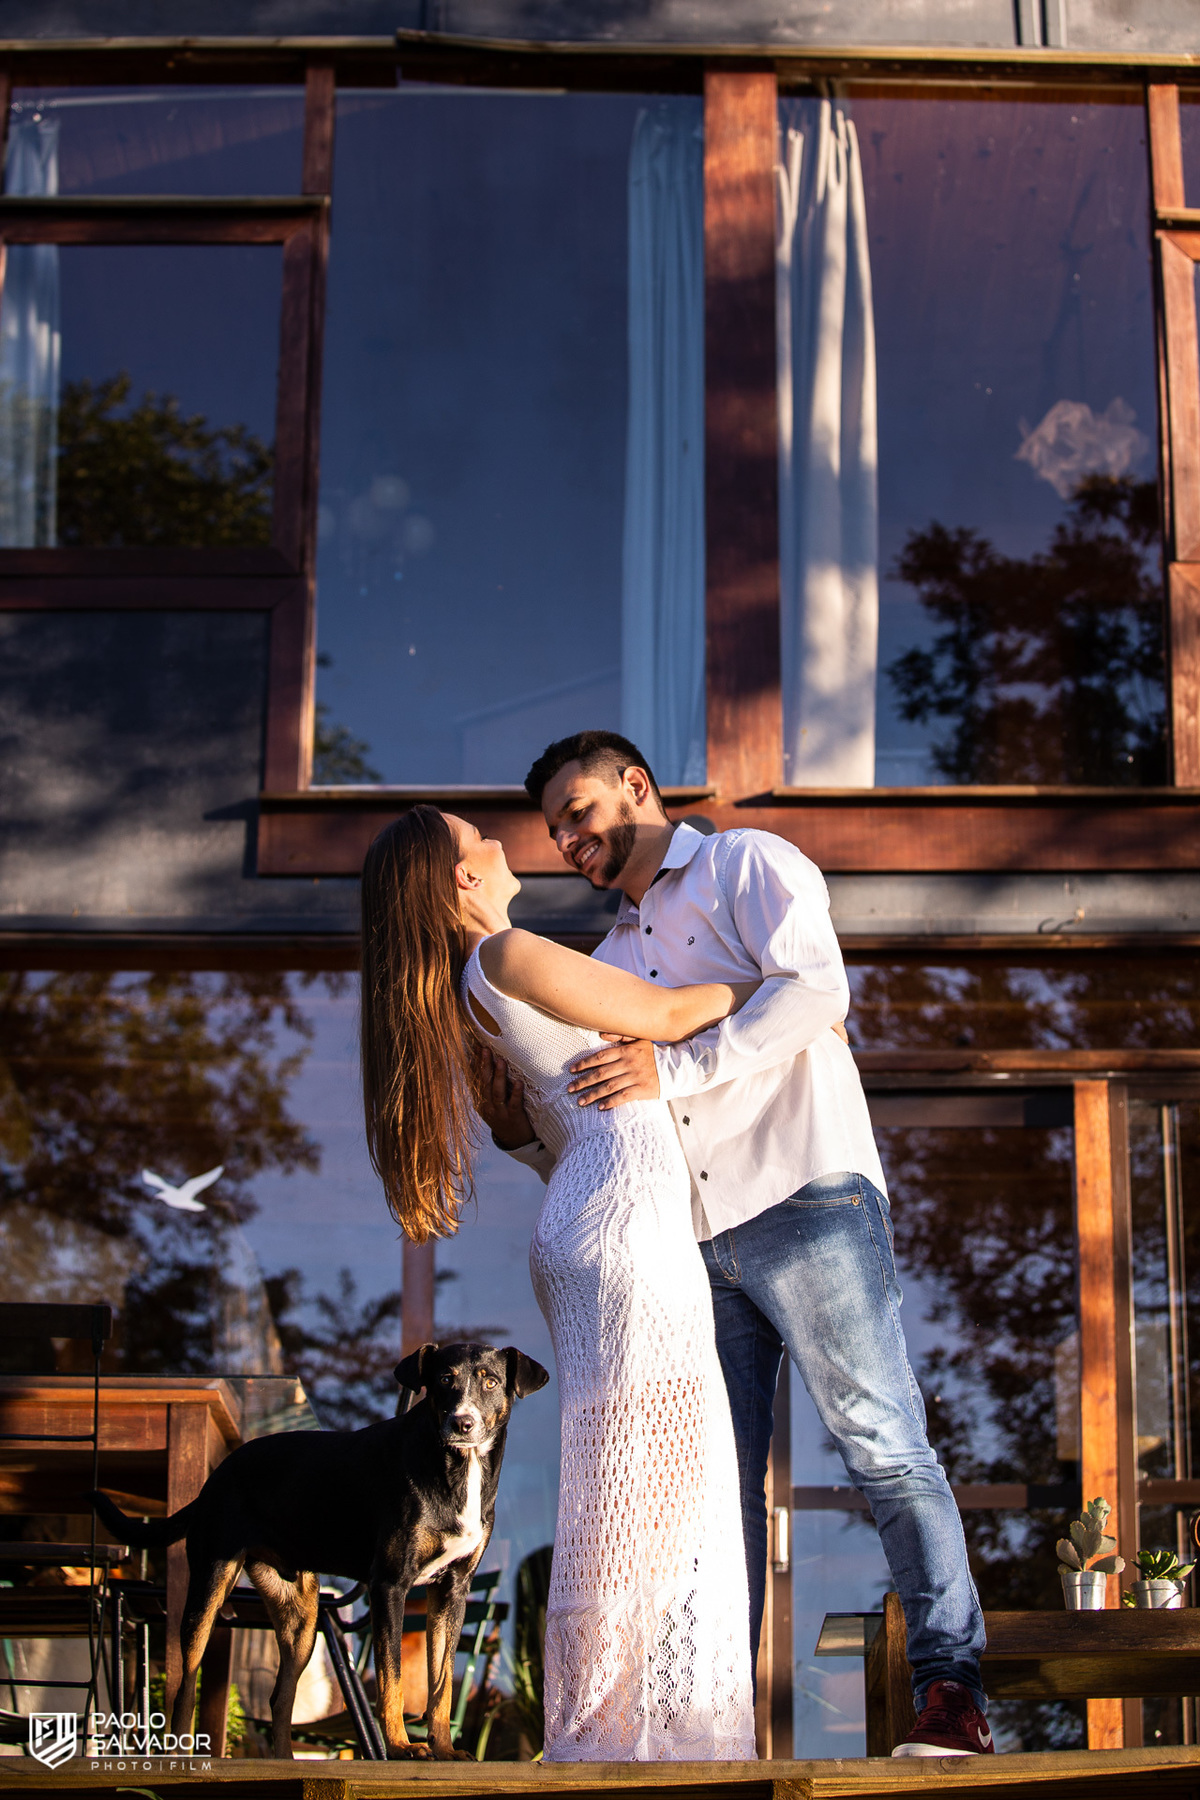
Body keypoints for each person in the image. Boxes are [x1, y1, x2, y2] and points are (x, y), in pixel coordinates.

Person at [480, 730, 992, 1761]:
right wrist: (523, 1129)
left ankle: (952, 1694)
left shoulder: (743, 863)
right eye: (554, 831)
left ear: (636, 786)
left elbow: (814, 991)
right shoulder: (604, 963)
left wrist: (675, 1065)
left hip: (804, 1191)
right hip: (691, 1247)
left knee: (883, 1443)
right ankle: (720, 1727)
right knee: (718, 1494)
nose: (567, 841)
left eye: (578, 813)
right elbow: (606, 1119)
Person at [359, 804, 757, 1763]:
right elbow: (669, 1015)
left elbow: (542, 1117)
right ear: (463, 879)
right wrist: (768, 980)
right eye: (480, 839)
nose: (503, 845)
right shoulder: (507, 955)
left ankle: (620, 1729)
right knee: (670, 1481)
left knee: (625, 1481)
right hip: (624, 1227)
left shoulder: (468, 985)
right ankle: (657, 1740)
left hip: (592, 1219)